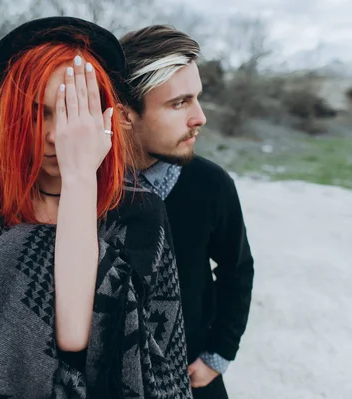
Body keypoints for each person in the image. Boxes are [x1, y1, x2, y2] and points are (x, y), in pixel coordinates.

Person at [0, 17, 192, 399]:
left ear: (103, 118)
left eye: (72, 111)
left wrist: (80, 178)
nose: (55, 133)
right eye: (36, 112)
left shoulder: (137, 212)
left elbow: (81, 337)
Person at [118, 25, 255, 399]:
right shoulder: (85, 191)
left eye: (196, 99)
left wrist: (217, 356)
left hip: (191, 377)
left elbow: (237, 269)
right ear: (125, 114)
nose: (200, 117)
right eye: (179, 103)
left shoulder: (210, 184)